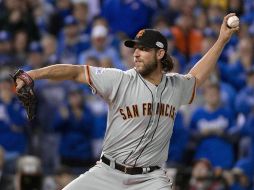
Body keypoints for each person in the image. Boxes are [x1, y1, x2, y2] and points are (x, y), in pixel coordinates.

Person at [14, 13, 239, 190]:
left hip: (151, 179)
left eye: (143, 49)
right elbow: (75, 72)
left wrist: (221, 40)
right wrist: (31, 75)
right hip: (108, 173)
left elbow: (197, 77)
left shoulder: (175, 86)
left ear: (160, 54)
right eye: (135, 48)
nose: (136, 53)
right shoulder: (119, 79)